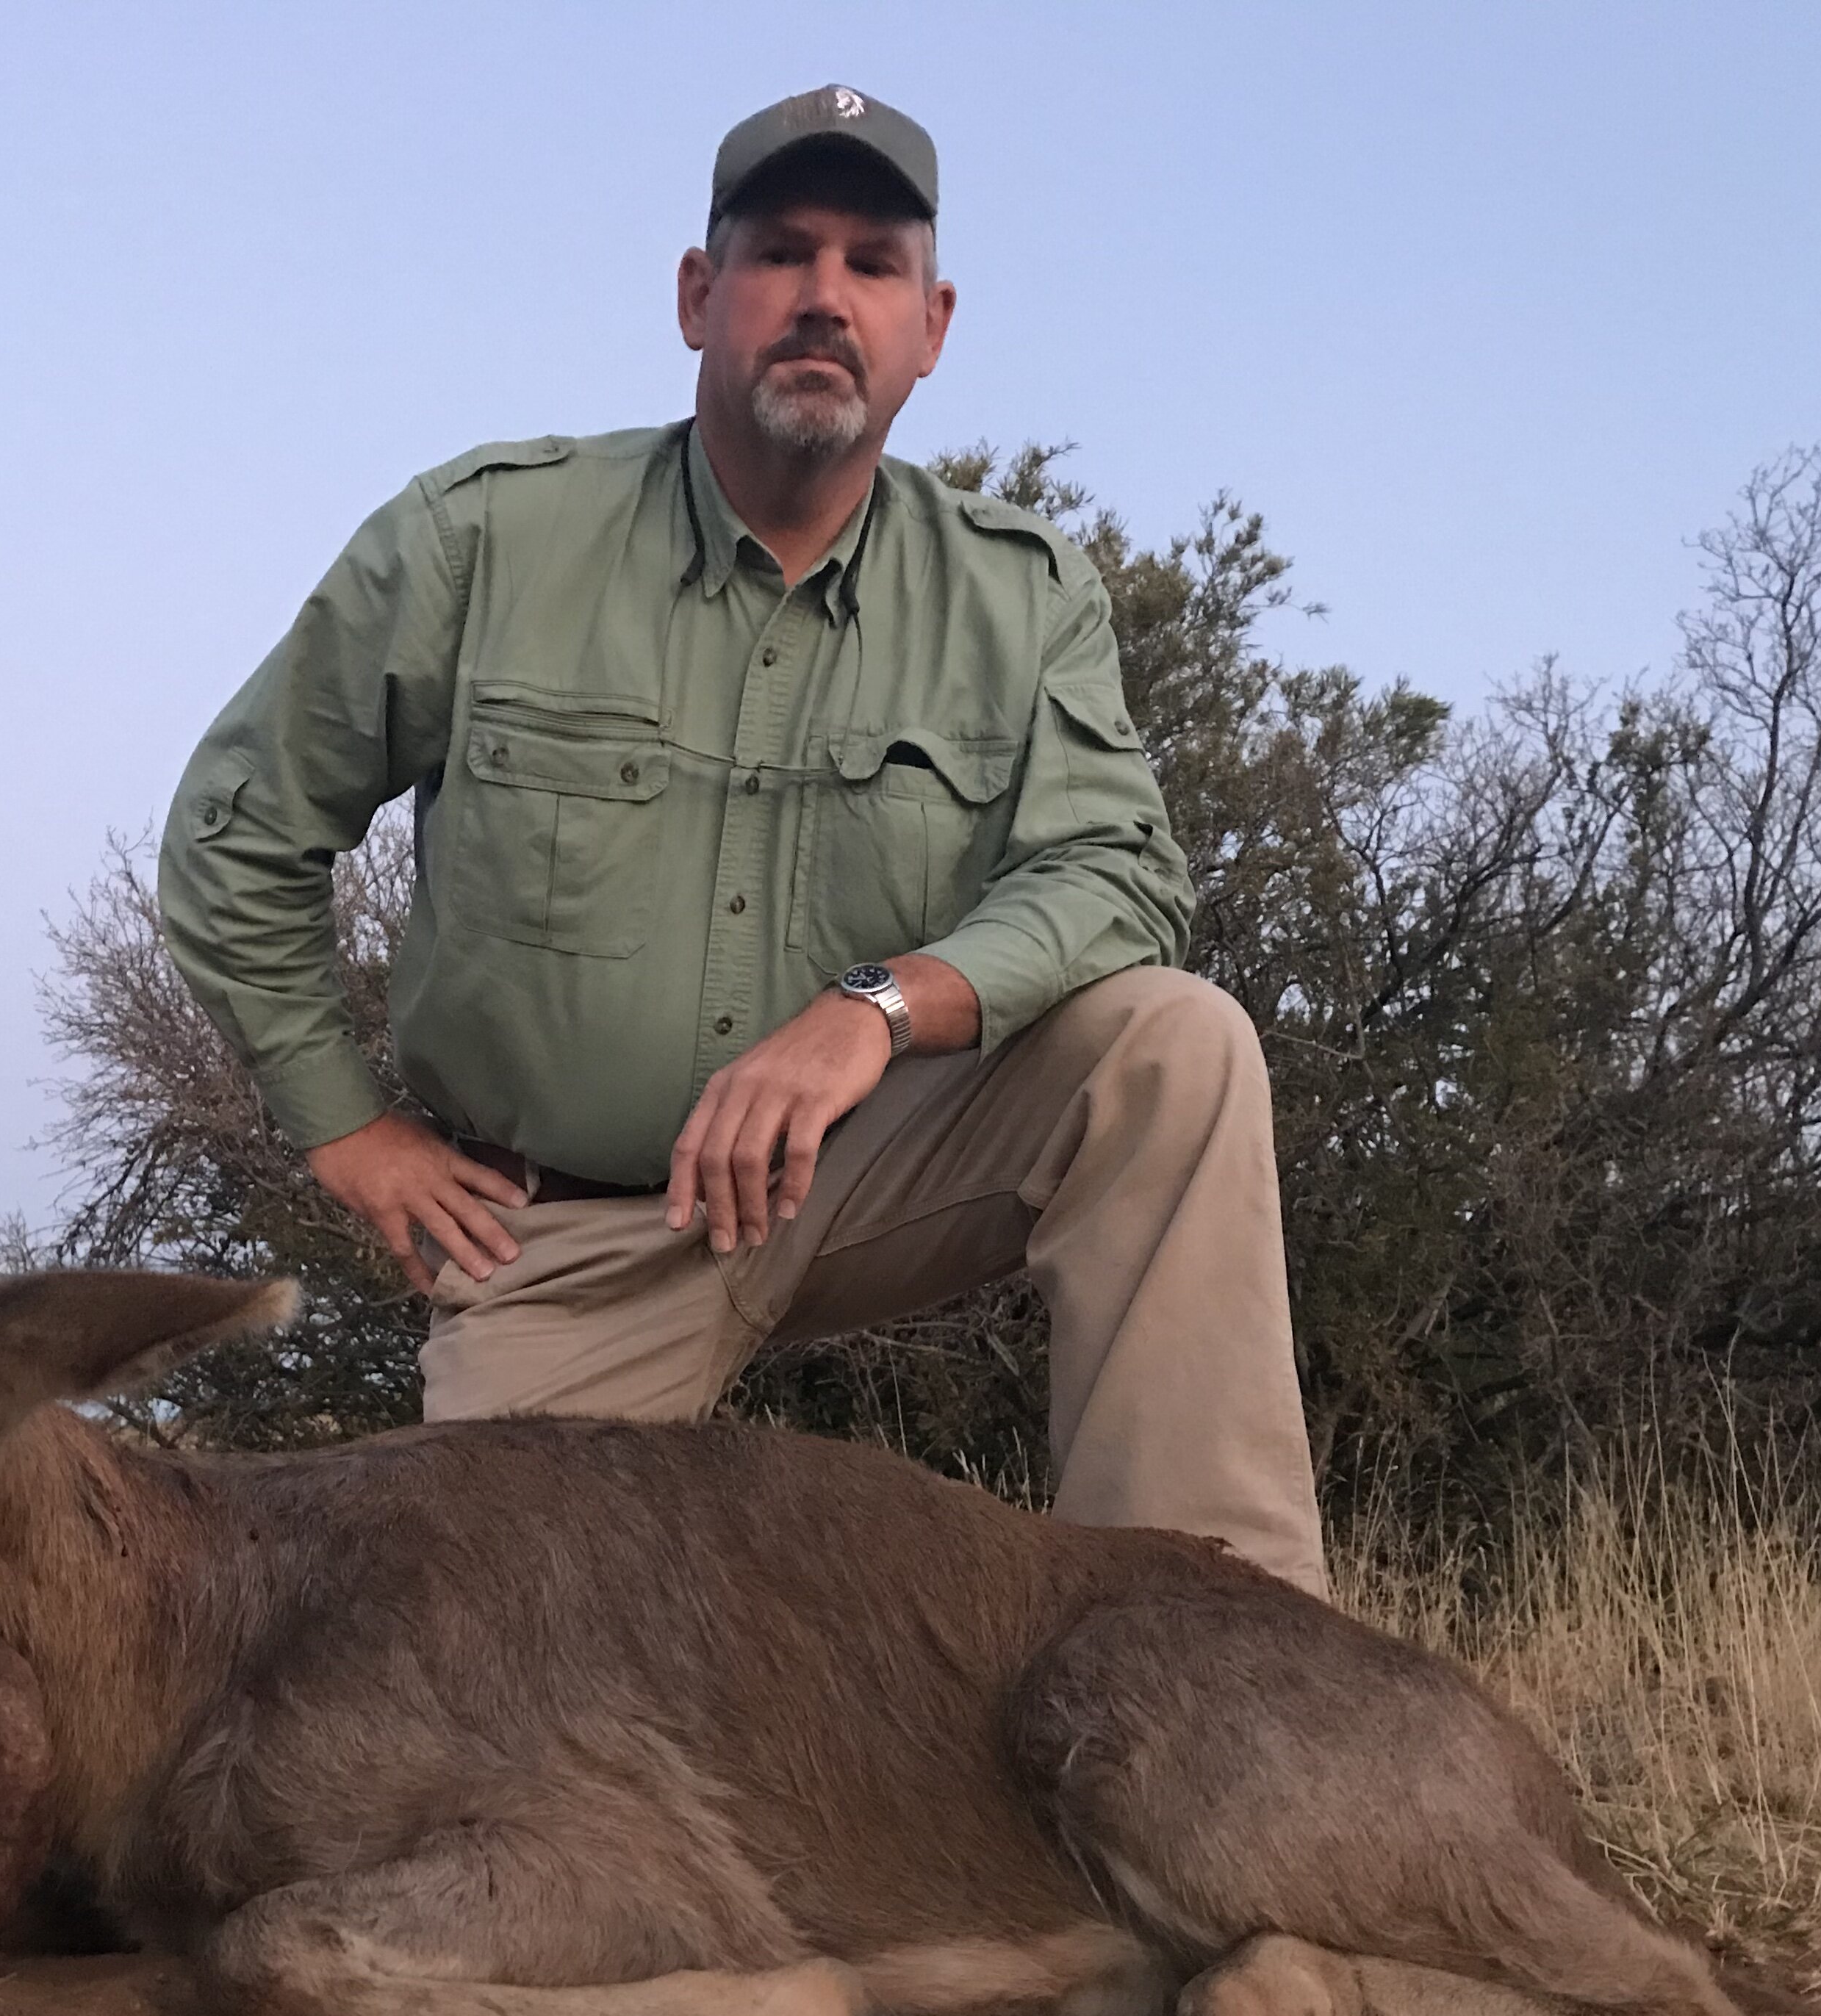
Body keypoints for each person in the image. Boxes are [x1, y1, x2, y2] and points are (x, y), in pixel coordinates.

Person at [160, 85, 1326, 1594]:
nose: (824, 299)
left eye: (872, 263)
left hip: (866, 1171)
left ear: (933, 324)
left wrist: (873, 1011)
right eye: (780, 253)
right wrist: (348, 1130)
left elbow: (1119, 874)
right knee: (496, 1688)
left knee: (1173, 1046)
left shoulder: (1023, 593)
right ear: (701, 297)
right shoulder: (481, 540)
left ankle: (1223, 1642)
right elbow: (236, 832)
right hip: (556, 1239)